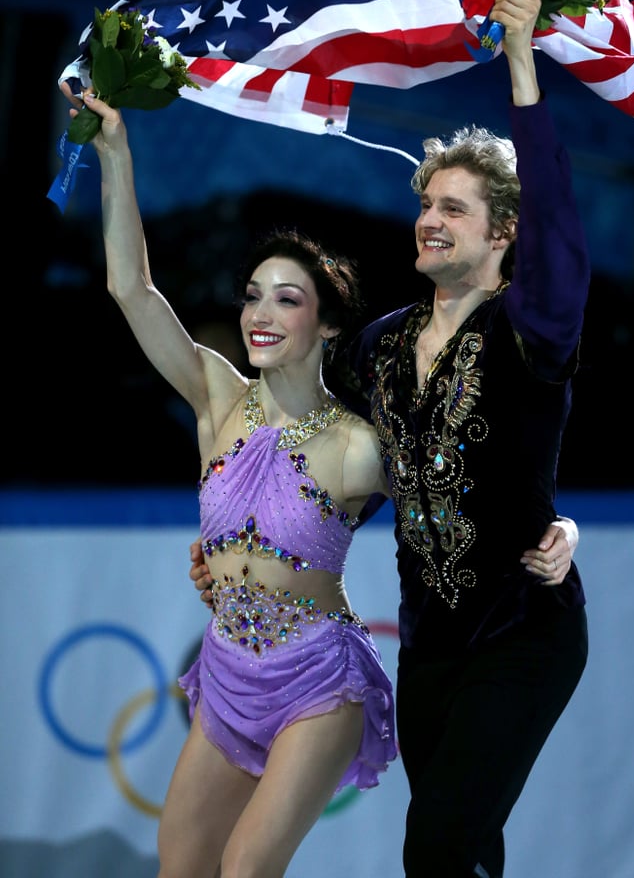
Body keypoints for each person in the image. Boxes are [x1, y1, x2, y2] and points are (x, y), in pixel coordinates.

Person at [189, 0, 590, 877]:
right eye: (425, 205)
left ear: (504, 233)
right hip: (427, 637)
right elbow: (350, 474)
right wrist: (241, 539)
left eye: (454, 208)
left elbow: (563, 226)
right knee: (447, 852)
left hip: (523, 630)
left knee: (443, 847)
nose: (429, 220)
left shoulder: (534, 328)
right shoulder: (377, 344)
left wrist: (521, 61)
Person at [59, 82, 400, 878]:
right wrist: (115, 155)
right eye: (253, 296)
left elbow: (459, 498)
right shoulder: (218, 398)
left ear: (328, 323)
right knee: (179, 868)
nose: (261, 312)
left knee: (245, 871)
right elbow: (130, 290)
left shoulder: (354, 446)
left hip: (319, 679)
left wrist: (555, 528)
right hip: (225, 670)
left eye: (287, 298)